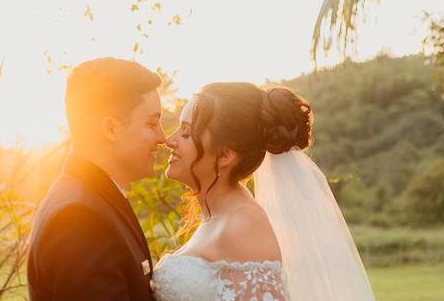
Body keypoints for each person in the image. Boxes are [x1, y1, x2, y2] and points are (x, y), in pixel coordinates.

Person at [153, 82, 376, 301]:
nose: (169, 140)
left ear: (225, 155)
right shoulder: (219, 216)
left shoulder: (243, 225)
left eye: (186, 133)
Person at [27, 57, 166, 301]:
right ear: (111, 129)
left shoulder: (93, 198)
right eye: (152, 123)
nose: (162, 137)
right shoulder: (79, 218)